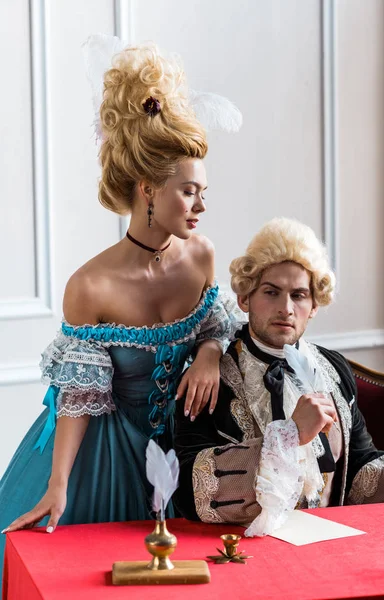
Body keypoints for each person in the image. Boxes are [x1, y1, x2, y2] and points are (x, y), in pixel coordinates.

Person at [0, 38, 241, 579]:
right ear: (147, 189)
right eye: (188, 192)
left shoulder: (200, 255)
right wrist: (57, 484)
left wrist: (208, 351)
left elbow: (218, 322)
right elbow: (77, 397)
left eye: (204, 191)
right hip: (100, 457)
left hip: (185, 451)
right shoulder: (91, 285)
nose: (202, 206)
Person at [174, 217, 384, 536]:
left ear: (314, 305)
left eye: (298, 295)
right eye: (271, 292)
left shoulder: (333, 370)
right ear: (244, 298)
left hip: (332, 546)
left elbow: (361, 470)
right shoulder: (211, 379)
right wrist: (290, 435)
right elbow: (186, 489)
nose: (286, 308)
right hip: (245, 550)